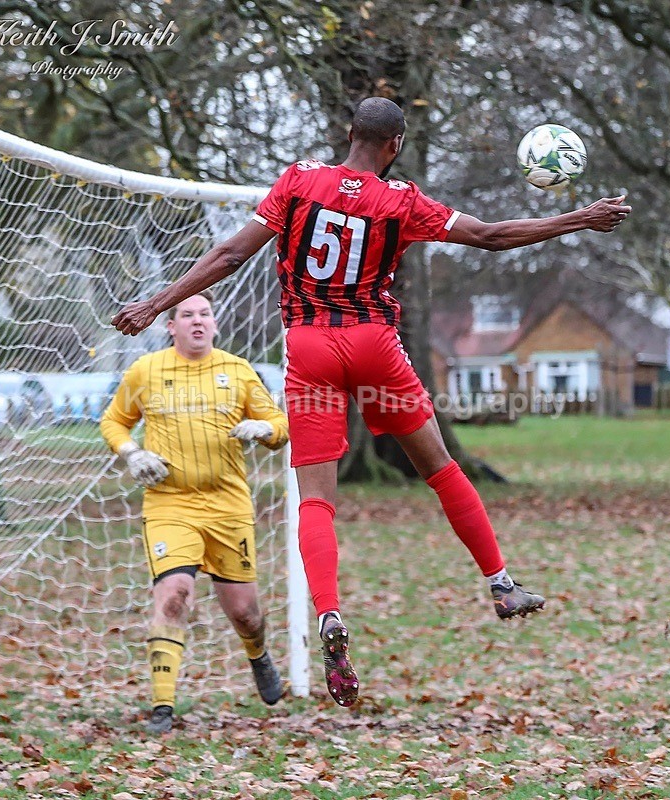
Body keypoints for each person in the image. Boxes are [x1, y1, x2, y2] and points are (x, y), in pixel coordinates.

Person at [111, 97, 632, 709]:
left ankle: (329, 614)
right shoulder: (401, 200)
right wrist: (580, 218)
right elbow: (490, 237)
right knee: (441, 469)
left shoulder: (298, 182)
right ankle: (501, 583)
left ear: (349, 133)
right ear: (395, 145)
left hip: (309, 347)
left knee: (316, 499)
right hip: (373, 345)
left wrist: (154, 304)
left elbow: (229, 256)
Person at [101, 290, 289, 733]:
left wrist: (263, 428)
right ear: (171, 326)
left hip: (228, 507)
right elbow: (113, 421)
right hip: (170, 504)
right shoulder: (145, 371)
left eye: (205, 314)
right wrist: (131, 452)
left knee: (245, 613)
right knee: (174, 595)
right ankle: (162, 708)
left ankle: (258, 655)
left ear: (215, 323)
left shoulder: (237, 370)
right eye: (187, 315)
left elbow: (281, 427)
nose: (198, 321)